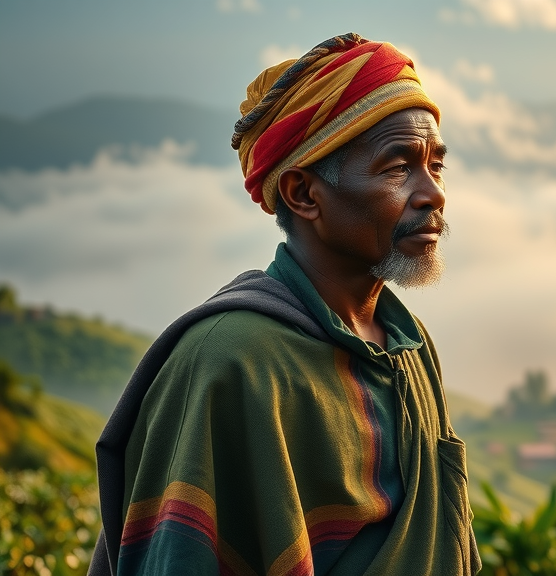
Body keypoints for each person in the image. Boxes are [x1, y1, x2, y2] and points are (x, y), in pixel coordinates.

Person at [88, 34, 481, 576]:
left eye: (436, 166)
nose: (433, 193)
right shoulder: (229, 363)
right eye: (398, 168)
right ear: (302, 193)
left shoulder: (409, 346)